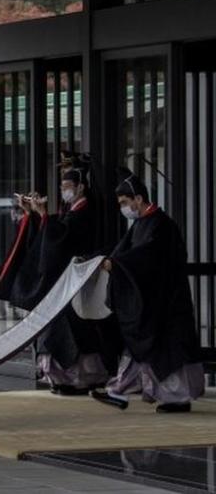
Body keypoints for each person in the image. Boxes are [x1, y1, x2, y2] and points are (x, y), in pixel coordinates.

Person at [0, 157, 113, 395]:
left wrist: (43, 216)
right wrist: (36, 216)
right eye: (62, 187)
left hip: (75, 283)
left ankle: (80, 379)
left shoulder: (87, 211)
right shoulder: (72, 211)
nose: (64, 190)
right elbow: (56, 232)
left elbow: (61, 239)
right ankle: (61, 379)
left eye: (68, 186)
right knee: (55, 331)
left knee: (75, 332)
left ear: (81, 187)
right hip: (63, 282)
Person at [90, 169, 204, 413]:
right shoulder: (143, 224)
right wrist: (103, 259)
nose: (123, 208)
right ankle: (119, 391)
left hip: (166, 303)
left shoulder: (161, 225)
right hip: (152, 302)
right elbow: (123, 250)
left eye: (124, 202)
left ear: (138, 199)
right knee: (141, 348)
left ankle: (171, 398)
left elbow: (147, 256)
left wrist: (117, 264)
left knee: (162, 352)